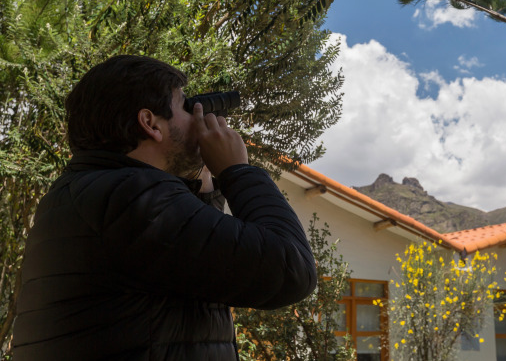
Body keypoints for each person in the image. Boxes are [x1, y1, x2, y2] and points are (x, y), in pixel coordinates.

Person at [12, 55, 317, 360]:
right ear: (150, 123)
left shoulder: (88, 194)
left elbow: (188, 271)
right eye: (185, 106)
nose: (197, 117)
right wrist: (238, 171)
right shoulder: (132, 197)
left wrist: (204, 185)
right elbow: (291, 270)